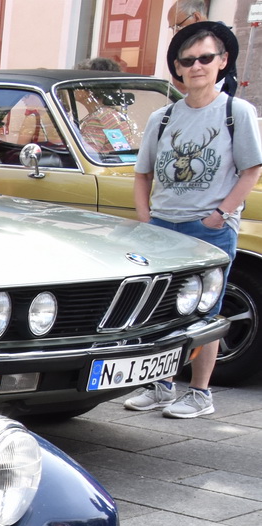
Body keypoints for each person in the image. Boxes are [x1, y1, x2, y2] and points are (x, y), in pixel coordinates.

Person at [123, 20, 261, 420]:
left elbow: (251, 169)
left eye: (205, 58)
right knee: (161, 311)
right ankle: (161, 385)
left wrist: (220, 214)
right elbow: (143, 174)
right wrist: (146, 218)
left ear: (223, 61)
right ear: (177, 68)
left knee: (205, 312)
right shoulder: (163, 117)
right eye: (187, 60)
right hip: (163, 226)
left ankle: (200, 393)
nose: (196, 66)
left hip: (208, 230)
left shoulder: (237, 112)